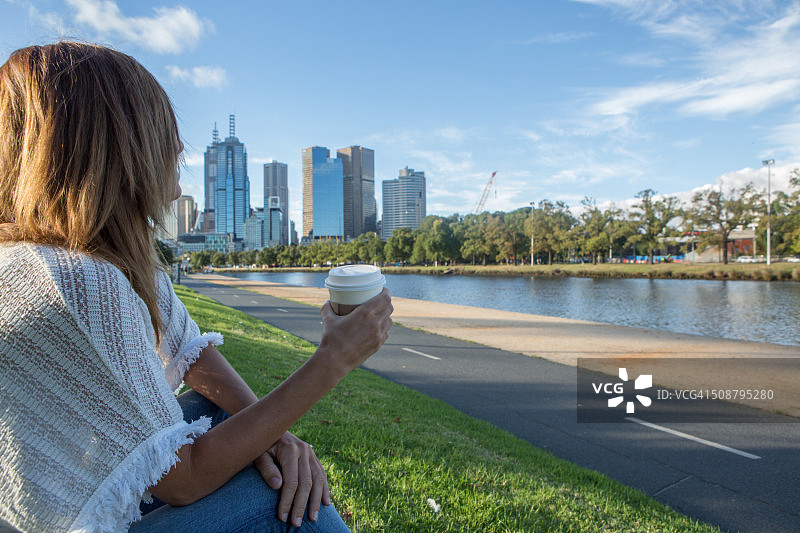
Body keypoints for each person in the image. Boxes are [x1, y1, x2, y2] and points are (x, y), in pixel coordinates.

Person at [0, 42, 393, 533]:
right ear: (119, 149)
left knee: (230, 415)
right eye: (163, 131)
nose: (180, 150)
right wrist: (332, 361)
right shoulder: (77, 282)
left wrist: (282, 438)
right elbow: (181, 481)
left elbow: (192, 353)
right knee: (279, 504)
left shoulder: (102, 258)